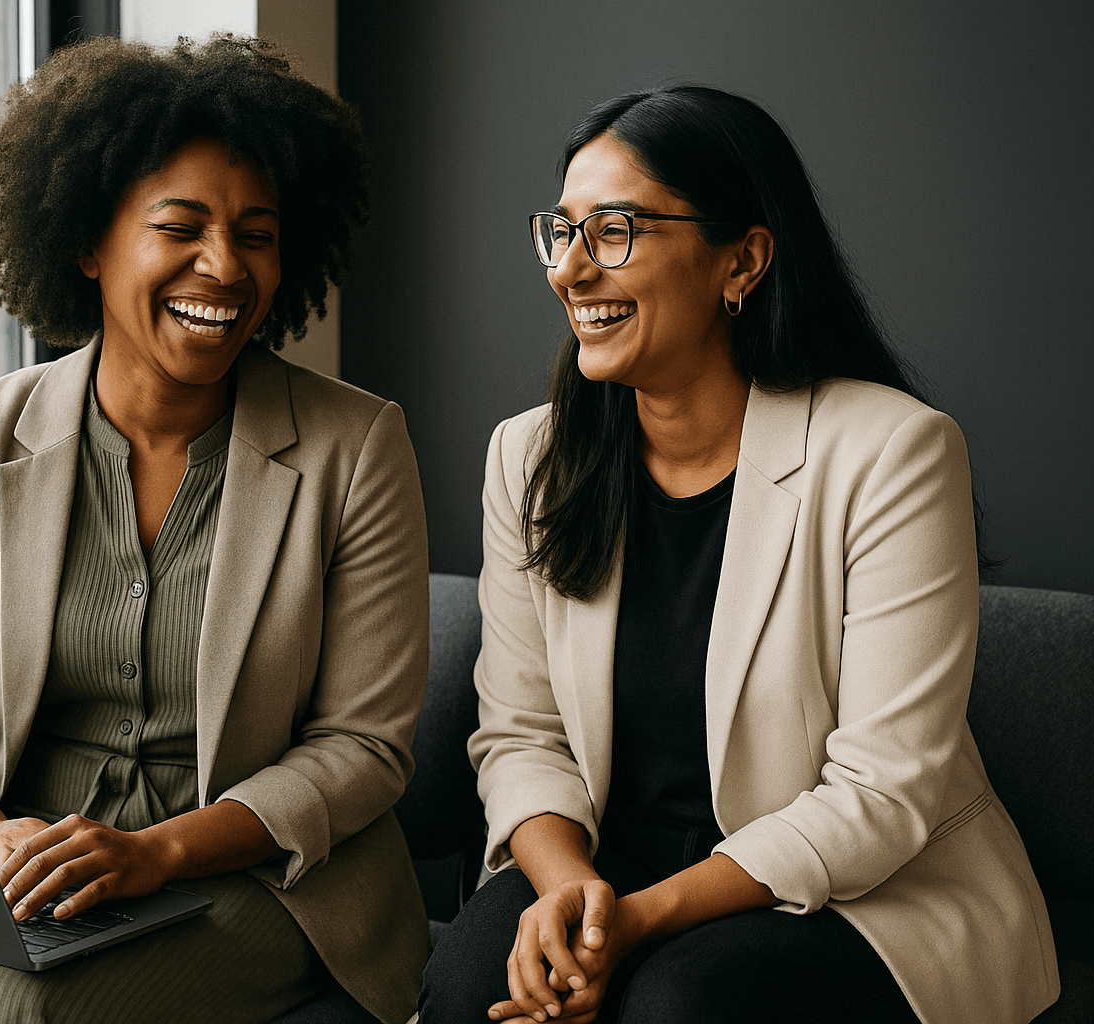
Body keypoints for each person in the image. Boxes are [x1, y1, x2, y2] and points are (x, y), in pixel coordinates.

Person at [0, 35, 429, 1024]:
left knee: (15, 1011)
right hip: (20, 855)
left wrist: (156, 851)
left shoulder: (355, 445)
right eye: (181, 226)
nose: (224, 265)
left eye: (257, 233)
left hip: (250, 875)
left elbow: (363, 745)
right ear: (89, 239)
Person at [419, 85, 1057, 1024]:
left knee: (678, 1005)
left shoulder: (894, 451)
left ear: (743, 260)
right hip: (609, 860)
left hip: (862, 892)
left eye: (618, 230)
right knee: (476, 985)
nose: (572, 270)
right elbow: (523, 734)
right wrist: (566, 892)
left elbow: (881, 792)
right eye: (563, 230)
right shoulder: (531, 458)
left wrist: (640, 922)